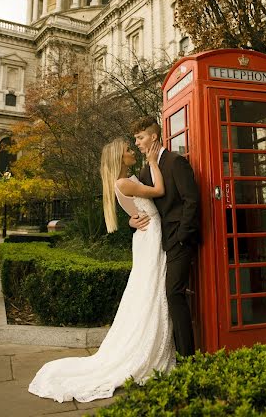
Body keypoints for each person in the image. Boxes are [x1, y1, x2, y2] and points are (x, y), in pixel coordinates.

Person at [28, 138, 175, 404]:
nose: (132, 152)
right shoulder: (123, 182)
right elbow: (160, 191)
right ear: (120, 157)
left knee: (147, 290)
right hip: (151, 236)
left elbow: (135, 212)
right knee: (151, 289)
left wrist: (132, 219)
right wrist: (153, 161)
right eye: (129, 150)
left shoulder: (124, 181)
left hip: (146, 235)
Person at [130, 116, 200, 357]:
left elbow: (191, 200)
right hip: (157, 241)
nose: (137, 143)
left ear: (154, 136)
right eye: (136, 139)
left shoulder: (175, 161)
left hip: (178, 239)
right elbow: (140, 206)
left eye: (140, 138)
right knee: (164, 295)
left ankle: (187, 355)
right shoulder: (144, 169)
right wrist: (132, 221)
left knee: (173, 293)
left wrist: (182, 235)